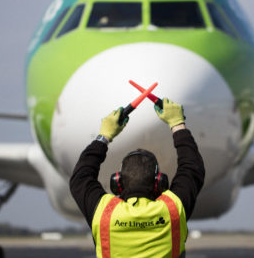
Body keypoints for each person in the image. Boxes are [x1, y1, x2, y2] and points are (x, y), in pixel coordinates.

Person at [70, 98, 205, 258]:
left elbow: (80, 177)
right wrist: (177, 124)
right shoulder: (172, 210)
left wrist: (104, 136)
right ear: (159, 182)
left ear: (118, 182)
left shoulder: (104, 212)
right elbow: (192, 168)